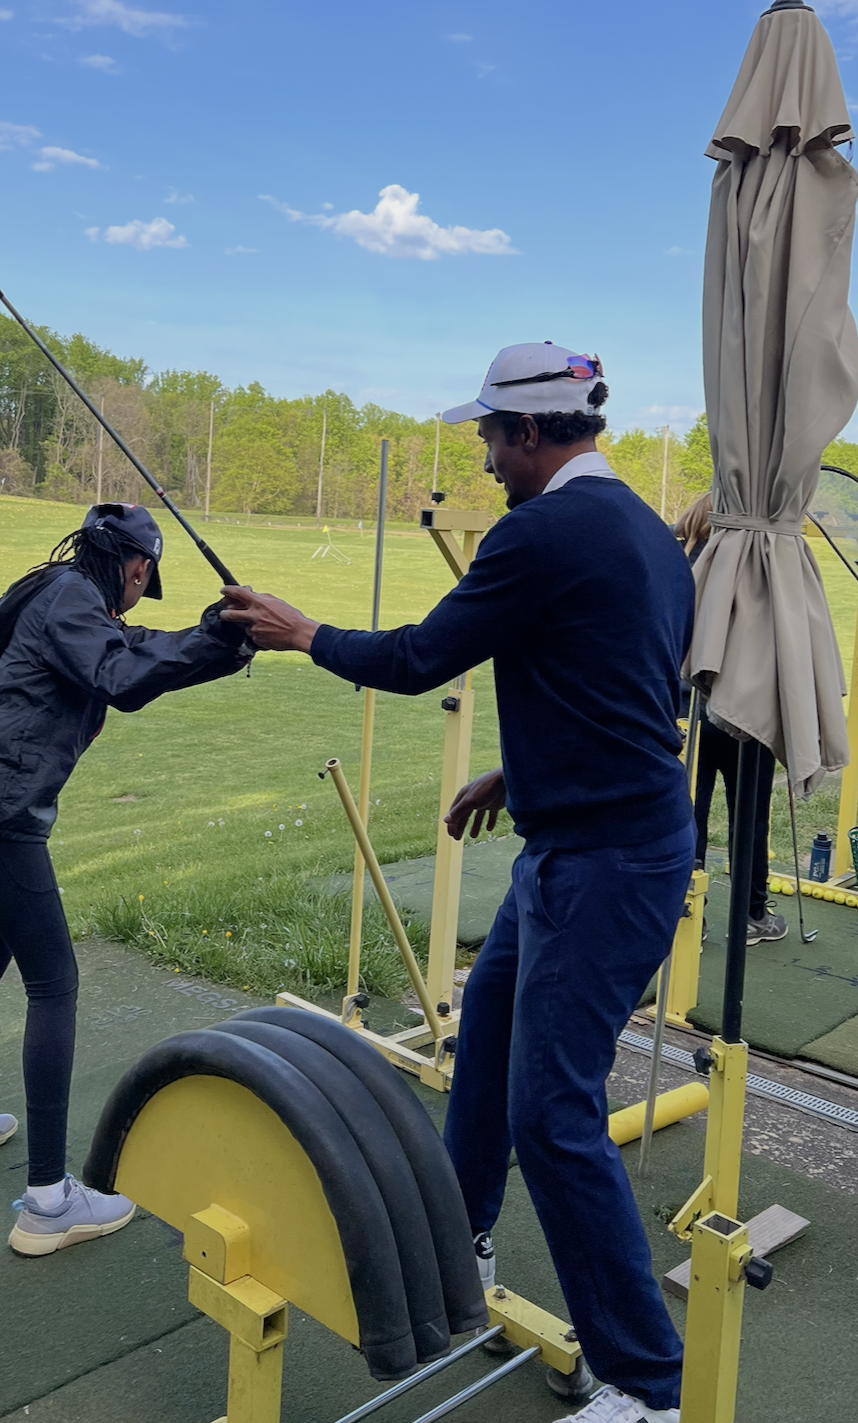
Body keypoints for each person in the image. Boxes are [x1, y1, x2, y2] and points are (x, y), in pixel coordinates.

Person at [222, 343, 693, 1423]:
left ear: (531, 433)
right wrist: (514, 769)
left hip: (605, 863)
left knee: (553, 1110)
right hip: (583, 841)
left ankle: (645, 1385)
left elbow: (420, 655)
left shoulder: (540, 529)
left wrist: (304, 634)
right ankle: (456, 1247)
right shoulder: (646, 533)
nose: (481, 455)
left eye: (488, 435)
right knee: (484, 1035)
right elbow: (619, 689)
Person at [0, 503, 252, 1256]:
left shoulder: (64, 594)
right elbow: (121, 675)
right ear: (135, 565)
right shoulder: (71, 600)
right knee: (53, 983)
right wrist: (217, 637)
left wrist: (216, 638)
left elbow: (129, 647)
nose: (138, 590)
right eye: (142, 577)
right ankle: (49, 1204)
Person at [673, 494, 786, 946]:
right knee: (750, 816)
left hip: (685, 709)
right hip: (743, 711)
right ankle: (752, 912)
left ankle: (689, 921)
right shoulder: (760, 561)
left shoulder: (678, 560)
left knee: (688, 815)